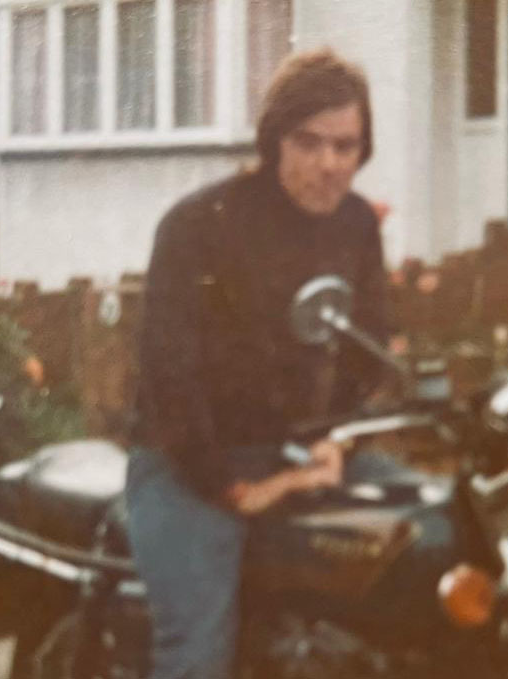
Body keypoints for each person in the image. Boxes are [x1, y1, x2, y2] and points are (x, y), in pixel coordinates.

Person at [125, 48, 390, 679]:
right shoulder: (199, 225)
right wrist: (228, 485)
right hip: (191, 465)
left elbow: (365, 349)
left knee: (427, 544)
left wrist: (339, 441)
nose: (328, 165)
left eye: (346, 147)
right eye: (309, 143)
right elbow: (171, 376)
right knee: (198, 647)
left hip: (297, 453)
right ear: (275, 141)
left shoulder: (355, 224)